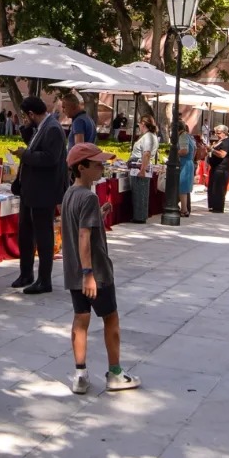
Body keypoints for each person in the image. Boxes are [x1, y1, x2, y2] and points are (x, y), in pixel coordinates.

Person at [62, 142, 140, 395]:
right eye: (97, 165)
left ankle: (80, 374)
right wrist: (89, 274)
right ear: (81, 167)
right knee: (111, 319)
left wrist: (100, 214)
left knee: (80, 320)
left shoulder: (70, 194)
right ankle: (115, 373)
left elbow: (81, 228)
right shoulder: (88, 196)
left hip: (74, 272)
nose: (102, 168)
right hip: (95, 272)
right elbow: (84, 236)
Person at [12, 95, 67, 293]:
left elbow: (50, 158)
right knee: (25, 233)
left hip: (43, 190)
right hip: (30, 189)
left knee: (43, 235)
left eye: (26, 116)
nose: (25, 118)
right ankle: (26, 272)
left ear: (31, 113)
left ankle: (45, 279)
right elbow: (33, 143)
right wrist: (26, 127)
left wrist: (24, 155)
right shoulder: (41, 127)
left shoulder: (52, 128)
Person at [128, 115, 159, 223]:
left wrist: (142, 170)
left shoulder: (148, 137)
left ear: (143, 124)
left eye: (140, 125)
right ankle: (139, 215)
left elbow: (146, 153)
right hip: (139, 165)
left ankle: (139, 216)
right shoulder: (150, 136)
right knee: (140, 192)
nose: (139, 127)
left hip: (140, 166)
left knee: (139, 192)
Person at [206, 124, 229, 212]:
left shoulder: (226, 142)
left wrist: (212, 150)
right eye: (216, 133)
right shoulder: (219, 141)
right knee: (213, 187)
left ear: (224, 133)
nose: (217, 135)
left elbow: (222, 154)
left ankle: (218, 207)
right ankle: (212, 205)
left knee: (219, 188)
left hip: (221, 168)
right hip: (215, 167)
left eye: (218, 133)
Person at [175, 120, 196, 217]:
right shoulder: (189, 136)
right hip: (189, 162)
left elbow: (184, 150)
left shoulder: (182, 136)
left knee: (182, 187)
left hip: (184, 163)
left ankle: (184, 209)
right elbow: (195, 150)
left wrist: (174, 153)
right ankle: (185, 208)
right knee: (184, 187)